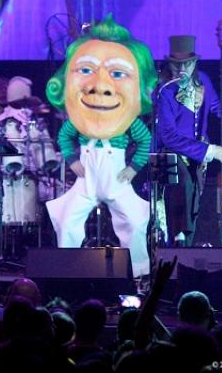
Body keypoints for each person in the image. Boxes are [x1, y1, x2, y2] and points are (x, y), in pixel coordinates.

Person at [45, 14, 155, 278]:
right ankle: (65, 274)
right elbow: (64, 137)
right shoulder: (78, 124)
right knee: (67, 218)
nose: (101, 86)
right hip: (87, 180)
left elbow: (144, 141)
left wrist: (132, 168)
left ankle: (139, 275)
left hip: (117, 179)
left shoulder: (128, 124)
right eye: (86, 70)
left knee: (133, 220)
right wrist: (72, 160)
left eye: (118, 73)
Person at [155, 35, 222, 246]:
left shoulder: (203, 81)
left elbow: (220, 111)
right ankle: (176, 245)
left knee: (193, 205)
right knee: (182, 196)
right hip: (170, 156)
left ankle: (184, 250)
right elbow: (168, 136)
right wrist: (209, 150)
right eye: (176, 64)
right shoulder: (165, 91)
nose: (182, 68)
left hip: (196, 159)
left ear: (194, 63)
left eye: (187, 63)